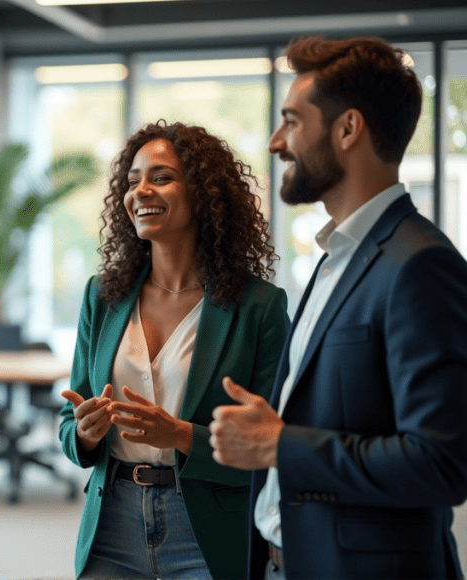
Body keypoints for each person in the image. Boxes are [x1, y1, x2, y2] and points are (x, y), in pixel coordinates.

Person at [208, 36, 467, 580]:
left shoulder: (419, 266)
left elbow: (442, 463)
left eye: (292, 121)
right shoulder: (333, 259)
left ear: (348, 129)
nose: (277, 141)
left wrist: (279, 444)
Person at [59, 121, 290, 579]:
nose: (141, 191)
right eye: (131, 181)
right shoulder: (101, 297)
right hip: (112, 526)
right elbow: (71, 423)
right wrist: (84, 433)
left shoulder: (259, 307)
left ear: (203, 193)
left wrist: (182, 436)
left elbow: (275, 444)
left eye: (161, 177)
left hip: (206, 528)